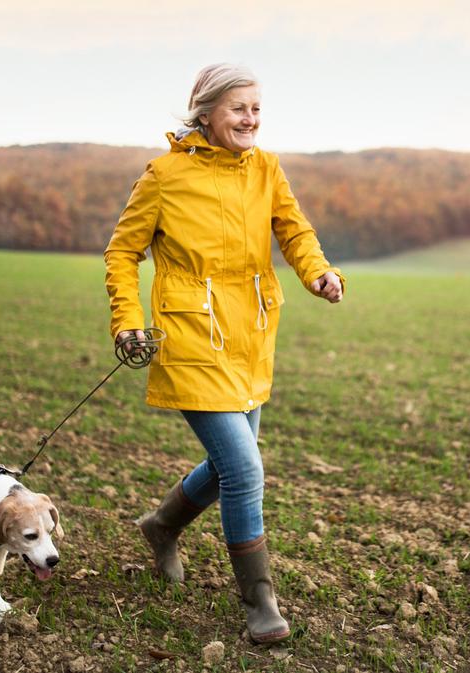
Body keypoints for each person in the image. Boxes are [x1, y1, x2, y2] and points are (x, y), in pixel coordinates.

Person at [103, 63, 344, 644]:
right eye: (239, 108)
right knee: (243, 469)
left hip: (251, 335)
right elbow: (121, 252)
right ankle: (260, 600)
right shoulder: (164, 176)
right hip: (189, 338)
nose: (251, 119)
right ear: (206, 112)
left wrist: (317, 273)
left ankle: (161, 527)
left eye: (257, 108)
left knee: (229, 464)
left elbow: (295, 231)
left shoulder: (267, 168)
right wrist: (127, 321)